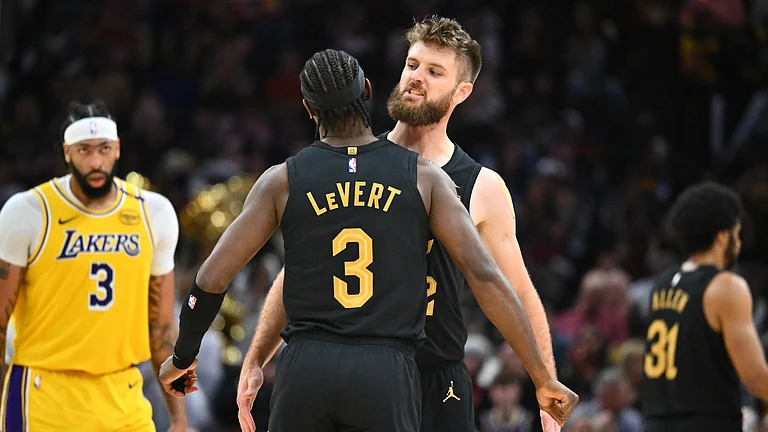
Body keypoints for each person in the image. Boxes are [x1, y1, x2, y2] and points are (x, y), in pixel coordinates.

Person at [158, 49, 578, 432]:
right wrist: (542, 378)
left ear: (308, 109)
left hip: (306, 365)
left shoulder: (283, 179)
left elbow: (211, 278)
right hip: (386, 368)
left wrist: (183, 357)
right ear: (369, 91)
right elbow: (486, 277)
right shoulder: (424, 176)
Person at [0, 101, 188, 431]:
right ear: (67, 153)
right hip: (45, 394)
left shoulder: (153, 214)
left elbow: (162, 329)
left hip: (123, 395)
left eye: (103, 149)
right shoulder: (28, 211)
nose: (96, 161)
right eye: (84, 150)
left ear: (117, 150)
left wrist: (179, 419)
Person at [642, 182, 768, 431]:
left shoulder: (663, 283)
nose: (739, 242)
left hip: (657, 423)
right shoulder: (726, 286)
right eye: (737, 233)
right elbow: (755, 379)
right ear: (723, 236)